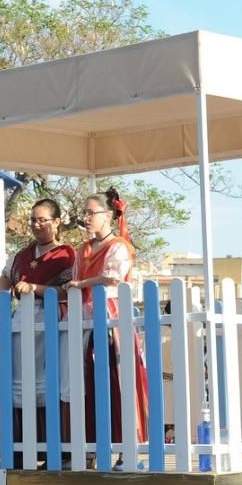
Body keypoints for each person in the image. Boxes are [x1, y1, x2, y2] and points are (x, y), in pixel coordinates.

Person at [64, 188, 149, 467]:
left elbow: (112, 279)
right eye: (85, 213)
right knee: (88, 383)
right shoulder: (83, 248)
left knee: (119, 382)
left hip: (112, 317)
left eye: (92, 213)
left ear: (108, 216)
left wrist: (82, 285)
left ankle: (128, 450)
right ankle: (93, 447)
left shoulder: (119, 246)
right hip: (86, 318)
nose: (86, 218)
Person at [0, 198, 77, 462]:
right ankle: (21, 448)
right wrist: (2, 304)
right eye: (33, 219)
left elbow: (69, 290)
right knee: (18, 384)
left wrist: (36, 289)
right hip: (21, 320)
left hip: (49, 320)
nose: (36, 225)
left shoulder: (66, 254)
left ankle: (48, 446)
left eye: (42, 219)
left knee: (48, 384)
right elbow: (5, 277)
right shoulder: (21, 255)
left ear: (57, 222)